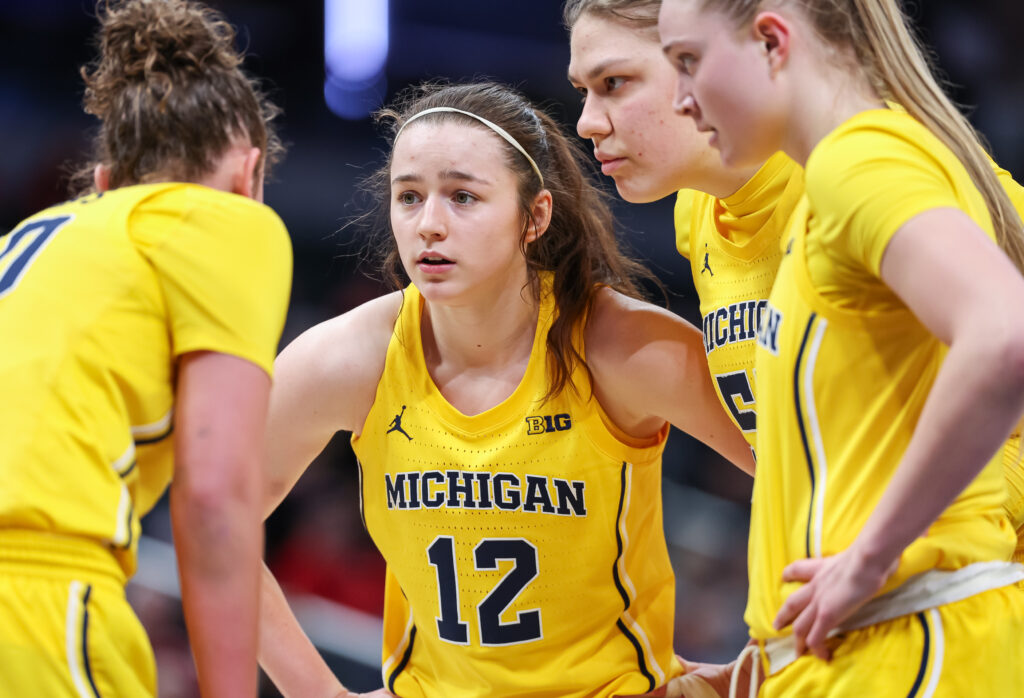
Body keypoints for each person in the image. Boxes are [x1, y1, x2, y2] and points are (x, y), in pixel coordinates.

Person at [255, 80, 754, 697]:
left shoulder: (623, 347)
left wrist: (765, 661)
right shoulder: (348, 359)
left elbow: (811, 482)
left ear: (534, 216)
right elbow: (215, 525)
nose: (429, 224)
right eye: (409, 197)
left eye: (463, 196)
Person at [660, 0, 1024, 695]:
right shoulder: (828, 183)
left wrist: (870, 557)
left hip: (915, 635)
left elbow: (1005, 334)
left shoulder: (859, 158)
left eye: (688, 63)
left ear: (770, 40)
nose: (682, 97)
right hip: (864, 648)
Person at [0, 1, 292, 696]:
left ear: (104, 185)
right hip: (35, 599)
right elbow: (216, 494)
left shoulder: (27, 238)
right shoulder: (226, 222)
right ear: (248, 177)